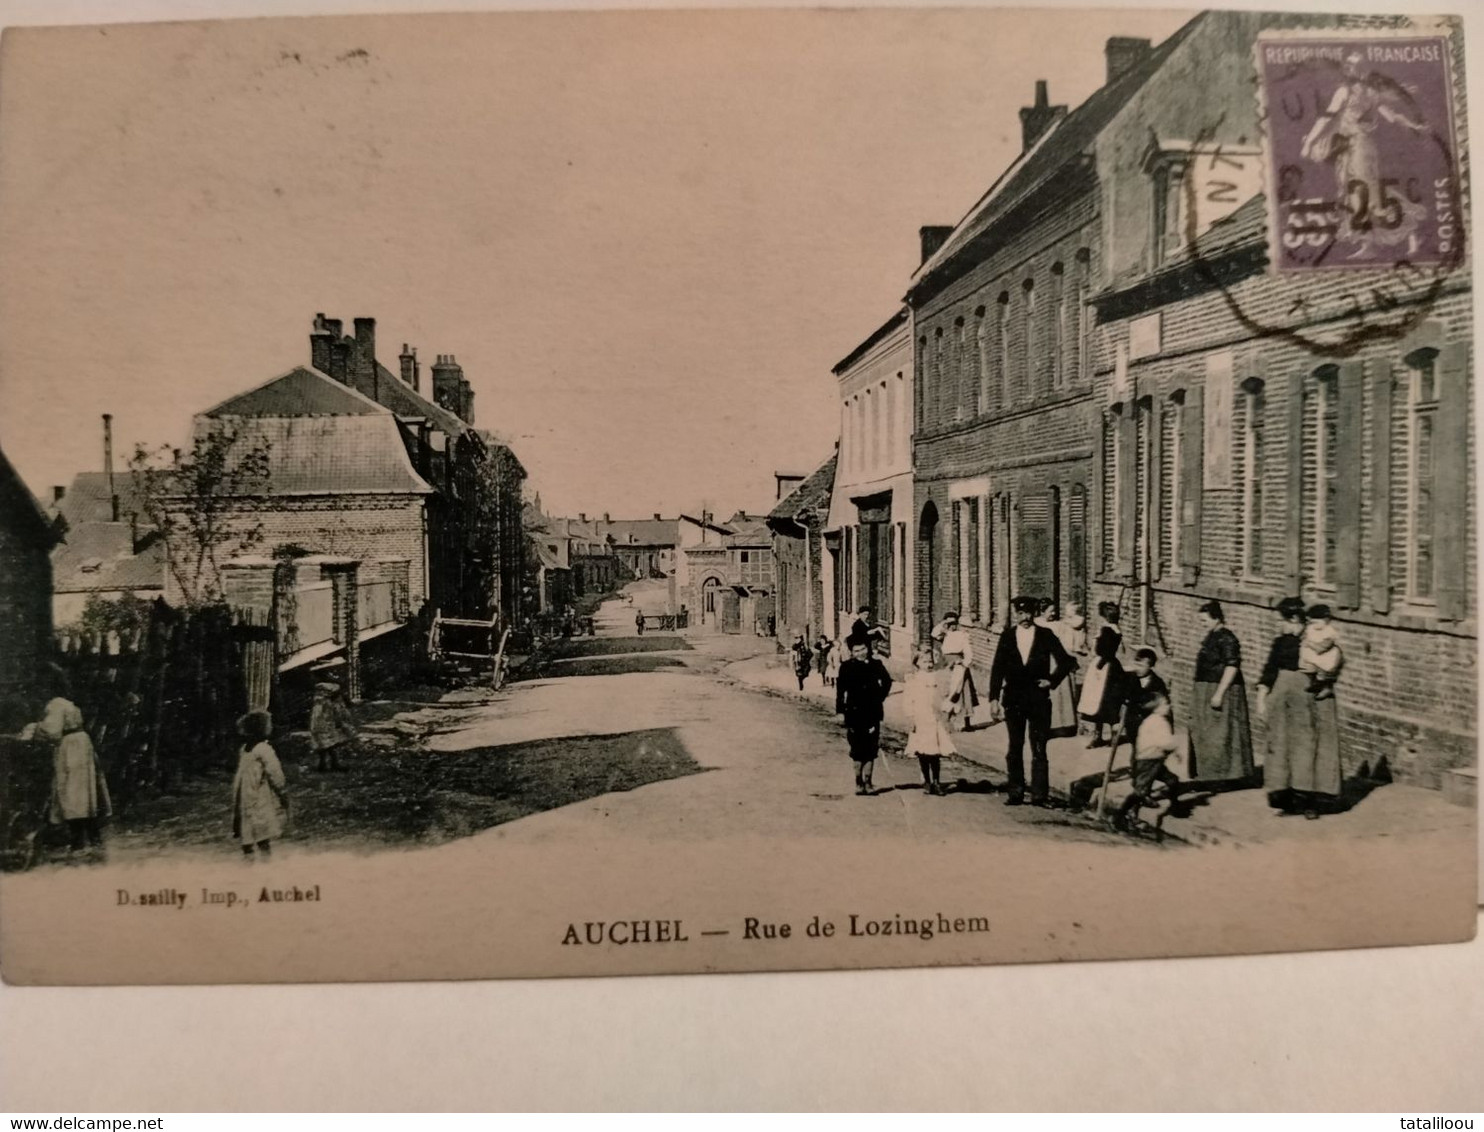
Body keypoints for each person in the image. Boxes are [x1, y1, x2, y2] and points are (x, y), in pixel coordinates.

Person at [987, 595, 1074, 806]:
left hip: (1038, 701)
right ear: (1016, 614)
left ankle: (1039, 795)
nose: (1024, 617)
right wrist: (993, 698)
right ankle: (1015, 792)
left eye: (1028, 613)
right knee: (1015, 746)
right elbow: (997, 668)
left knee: (1039, 748)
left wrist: (1051, 681)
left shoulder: (1045, 635)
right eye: (1020, 613)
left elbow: (1066, 661)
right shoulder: (1007, 636)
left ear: (1034, 614)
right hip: (1014, 700)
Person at [1258, 597, 1340, 819]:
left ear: (1294, 618)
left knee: (1310, 748)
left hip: (1309, 698)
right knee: (1283, 749)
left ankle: (1310, 802)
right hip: (1282, 701)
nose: (1279, 626)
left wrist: (1322, 684)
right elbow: (1269, 670)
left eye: (1281, 621)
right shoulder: (1280, 642)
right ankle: (1287, 800)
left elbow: (1331, 665)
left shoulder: (1316, 636)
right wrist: (1262, 698)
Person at [37, 692, 111, 858]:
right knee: (85, 793)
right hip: (81, 743)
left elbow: (53, 731)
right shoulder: (67, 703)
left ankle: (78, 843)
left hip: (71, 747)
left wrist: (36, 728)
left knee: (71, 794)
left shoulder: (55, 705)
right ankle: (94, 839)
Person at [1188, 599, 1256, 782]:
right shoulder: (1212, 635)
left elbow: (1232, 666)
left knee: (1223, 734)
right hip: (1206, 688)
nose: (1203, 624)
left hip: (1222, 690)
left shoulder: (1227, 638)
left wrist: (1219, 693)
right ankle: (1210, 773)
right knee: (1208, 733)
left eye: (1205, 620)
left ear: (1217, 618)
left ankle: (1227, 775)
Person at [1116, 689, 1182, 832]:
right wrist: (1176, 745)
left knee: (1172, 781)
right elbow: (1164, 742)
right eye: (1165, 704)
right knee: (1140, 791)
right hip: (1148, 761)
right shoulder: (1159, 723)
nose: (1169, 707)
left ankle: (1175, 807)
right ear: (1156, 708)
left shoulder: (1151, 721)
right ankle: (1119, 816)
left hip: (1155, 760)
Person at [835, 638, 893, 796]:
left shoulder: (876, 665)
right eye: (856, 651)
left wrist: (879, 697)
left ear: (867, 649)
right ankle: (858, 782)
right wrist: (840, 712)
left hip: (872, 711)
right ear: (852, 653)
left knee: (871, 748)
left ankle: (868, 782)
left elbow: (887, 682)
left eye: (862, 649)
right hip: (853, 712)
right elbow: (840, 691)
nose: (860, 653)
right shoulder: (846, 667)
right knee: (857, 748)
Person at [232, 710, 288, 859]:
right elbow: (274, 772)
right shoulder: (264, 749)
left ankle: (249, 858)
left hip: (245, 794)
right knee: (262, 830)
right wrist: (282, 791)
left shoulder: (245, 749)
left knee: (248, 829)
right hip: (259, 793)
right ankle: (265, 861)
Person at [903, 644, 955, 794]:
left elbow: (943, 695)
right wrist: (910, 718)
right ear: (917, 662)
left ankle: (937, 781)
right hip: (920, 718)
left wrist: (946, 711)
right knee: (923, 751)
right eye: (925, 661)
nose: (929, 664)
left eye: (930, 661)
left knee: (935, 752)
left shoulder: (936, 677)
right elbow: (908, 700)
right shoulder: (913, 679)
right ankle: (926, 780)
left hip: (934, 718)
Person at [1077, 601, 1124, 747]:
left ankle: (1102, 736)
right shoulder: (1115, 630)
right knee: (1106, 701)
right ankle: (1108, 735)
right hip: (1110, 667)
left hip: (1104, 669)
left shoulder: (1107, 631)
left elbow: (1106, 651)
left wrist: (1099, 665)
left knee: (1102, 699)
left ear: (1104, 617)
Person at [1039, 598, 1082, 737]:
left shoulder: (1059, 625)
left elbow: (1066, 642)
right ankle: (1047, 726)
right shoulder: (1038, 624)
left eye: (1054, 611)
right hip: (1046, 662)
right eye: (1050, 611)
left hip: (1058, 662)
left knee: (1062, 692)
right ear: (1042, 611)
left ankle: (1064, 725)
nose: (1053, 614)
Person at [931, 610, 979, 732]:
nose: (952, 627)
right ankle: (947, 719)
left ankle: (966, 722)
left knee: (963, 692)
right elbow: (934, 633)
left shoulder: (962, 635)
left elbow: (968, 652)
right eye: (949, 624)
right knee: (948, 690)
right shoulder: (944, 635)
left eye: (954, 624)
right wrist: (944, 623)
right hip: (947, 665)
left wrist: (963, 663)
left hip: (959, 665)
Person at [1119, 647, 1170, 751]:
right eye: (1136, 664)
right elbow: (1123, 696)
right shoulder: (1130, 679)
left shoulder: (1157, 684)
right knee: (1135, 748)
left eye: (1141, 666)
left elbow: (1163, 704)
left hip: (1149, 723)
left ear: (1151, 666)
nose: (1138, 668)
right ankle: (1135, 766)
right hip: (1133, 722)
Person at [309, 681, 357, 773]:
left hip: (327, 726)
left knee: (329, 745)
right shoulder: (321, 703)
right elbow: (319, 716)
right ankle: (326, 764)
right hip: (321, 726)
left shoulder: (328, 702)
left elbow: (337, 713)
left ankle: (329, 764)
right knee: (325, 745)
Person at [1300, 604, 1343, 700]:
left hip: (1327, 655)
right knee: (1308, 667)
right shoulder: (1311, 629)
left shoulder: (1329, 631)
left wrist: (1310, 644)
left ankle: (1326, 688)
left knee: (1324, 673)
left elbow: (1323, 647)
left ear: (1326, 620)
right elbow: (1304, 637)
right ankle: (1314, 683)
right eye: (1311, 623)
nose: (1313, 625)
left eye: (1316, 622)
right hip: (1315, 655)